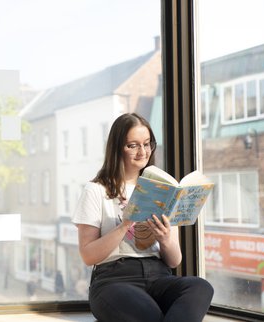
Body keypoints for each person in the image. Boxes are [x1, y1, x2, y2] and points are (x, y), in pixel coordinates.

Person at [72, 113, 213, 322]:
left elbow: (174, 261)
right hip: (114, 280)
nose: (143, 152)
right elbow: (88, 256)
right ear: (117, 147)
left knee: (200, 287)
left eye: (147, 144)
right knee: (152, 317)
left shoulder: (162, 190)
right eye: (133, 145)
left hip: (159, 276)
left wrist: (165, 239)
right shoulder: (96, 190)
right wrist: (125, 224)